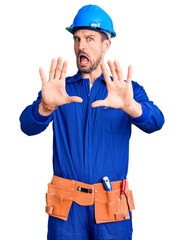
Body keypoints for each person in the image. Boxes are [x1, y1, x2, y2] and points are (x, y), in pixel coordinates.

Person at [20, 4, 165, 240]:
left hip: (111, 208)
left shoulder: (125, 90)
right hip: (67, 209)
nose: (81, 46)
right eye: (77, 39)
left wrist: (131, 106)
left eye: (90, 39)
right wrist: (45, 107)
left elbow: (157, 121)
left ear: (106, 45)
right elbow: (26, 126)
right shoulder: (59, 89)